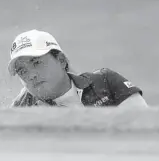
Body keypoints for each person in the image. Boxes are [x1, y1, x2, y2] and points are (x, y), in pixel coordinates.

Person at [8, 29, 148, 108]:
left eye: (36, 63)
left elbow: (146, 128)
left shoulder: (106, 81)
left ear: (61, 60)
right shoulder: (21, 110)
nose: (31, 76)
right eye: (22, 71)